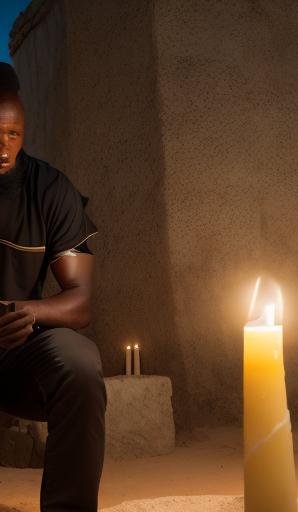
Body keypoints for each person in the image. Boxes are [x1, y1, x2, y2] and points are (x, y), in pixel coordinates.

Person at [0, 62, 106, 511]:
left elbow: (79, 303)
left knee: (80, 363)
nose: (3, 147)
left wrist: (28, 312)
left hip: (18, 347)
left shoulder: (50, 189)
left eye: (13, 134)